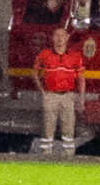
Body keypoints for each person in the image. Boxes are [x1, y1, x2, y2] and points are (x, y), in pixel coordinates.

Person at [33, 23, 83, 157]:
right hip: (50, 95)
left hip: (68, 96)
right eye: (57, 35)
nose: (60, 38)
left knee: (68, 127)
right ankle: (46, 155)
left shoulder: (75, 56)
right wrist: (43, 92)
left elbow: (81, 78)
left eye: (62, 36)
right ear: (52, 38)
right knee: (48, 126)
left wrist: (81, 96)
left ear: (67, 38)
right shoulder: (45, 54)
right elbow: (35, 73)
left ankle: (68, 155)